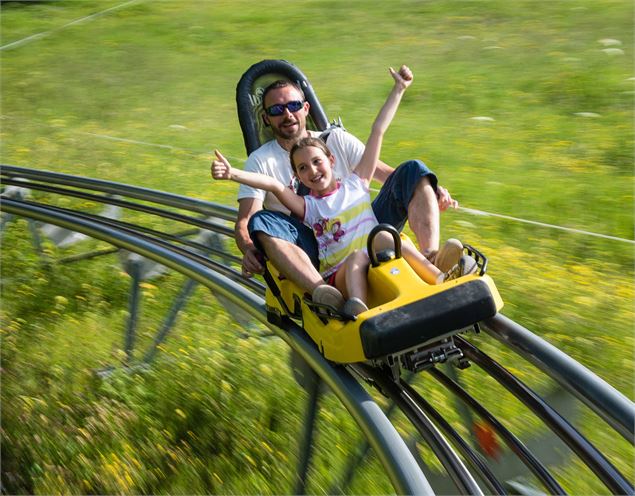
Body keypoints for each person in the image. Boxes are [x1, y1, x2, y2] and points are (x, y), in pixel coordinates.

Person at [212, 66, 469, 316]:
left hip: (367, 232)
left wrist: (429, 187)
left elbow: (380, 143)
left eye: (292, 106)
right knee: (262, 221)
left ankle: (432, 263)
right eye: (277, 110)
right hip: (319, 247)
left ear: (305, 108)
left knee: (414, 170)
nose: (287, 114)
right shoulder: (266, 166)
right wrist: (249, 249)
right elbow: (253, 212)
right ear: (266, 118)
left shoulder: (342, 153)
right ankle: (324, 294)